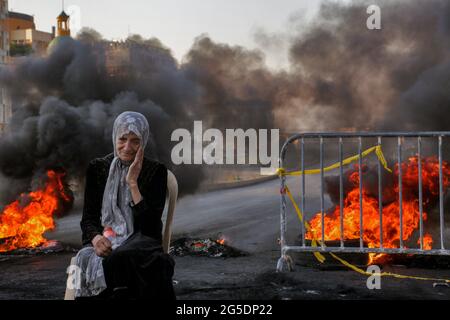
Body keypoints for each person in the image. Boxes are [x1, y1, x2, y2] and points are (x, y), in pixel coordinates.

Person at [73, 111, 175, 299]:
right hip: (105, 241)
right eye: (123, 139)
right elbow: (88, 219)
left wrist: (133, 183)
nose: (127, 147)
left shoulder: (156, 171)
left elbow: (151, 228)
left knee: (124, 258)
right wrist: (96, 239)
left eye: (135, 140)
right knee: (89, 257)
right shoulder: (98, 168)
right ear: (115, 137)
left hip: (141, 243)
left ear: (143, 141)